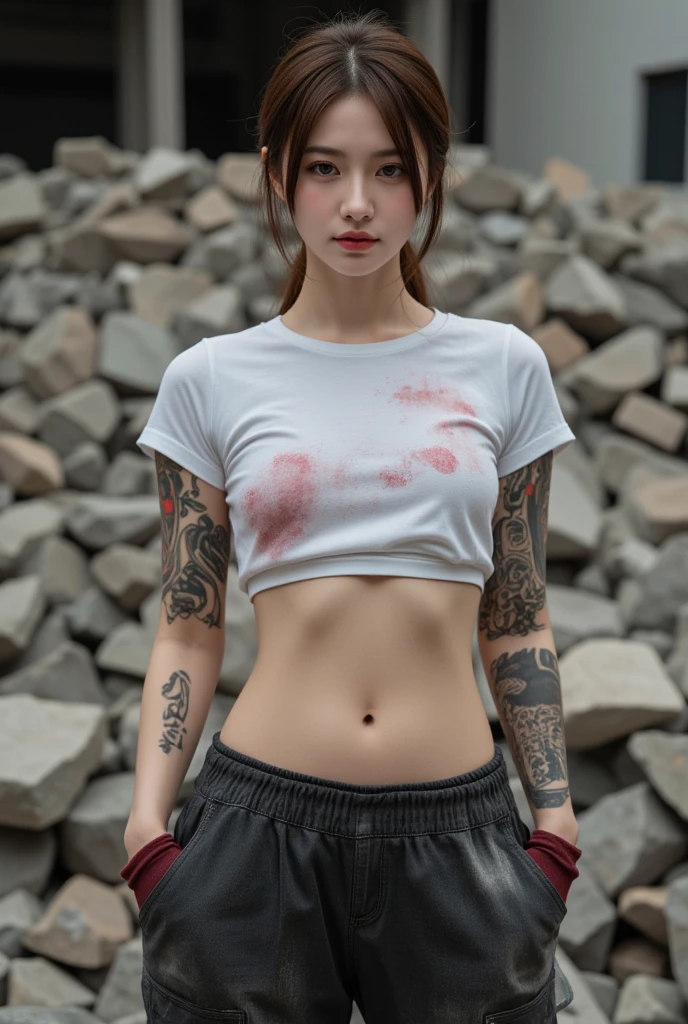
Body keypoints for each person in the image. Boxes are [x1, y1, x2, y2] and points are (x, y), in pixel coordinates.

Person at [120, 10, 582, 1022]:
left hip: (461, 838)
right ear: (277, 174)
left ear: (432, 172)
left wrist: (551, 824)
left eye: (390, 167)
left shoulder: (502, 366)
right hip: (253, 838)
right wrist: (150, 829)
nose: (358, 203)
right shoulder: (211, 379)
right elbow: (187, 624)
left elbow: (516, 612)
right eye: (324, 168)